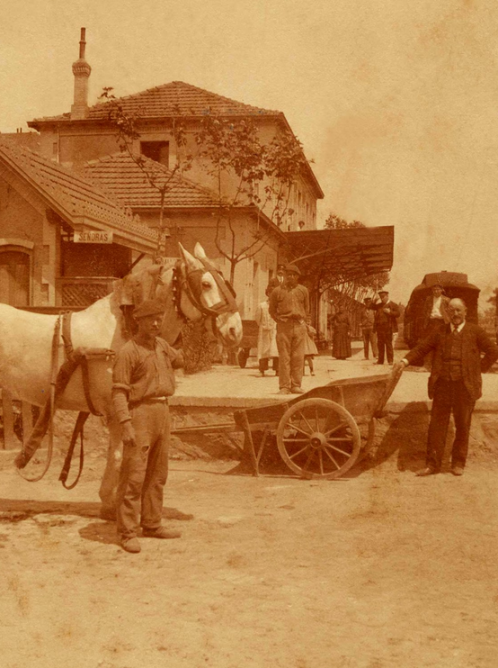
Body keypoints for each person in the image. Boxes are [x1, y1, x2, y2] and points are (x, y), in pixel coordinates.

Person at [112, 299, 184, 553]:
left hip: (162, 411)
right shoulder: (128, 352)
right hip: (140, 413)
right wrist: (126, 423)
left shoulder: (162, 345)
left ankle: (152, 524)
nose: (156, 323)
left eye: (159, 318)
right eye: (150, 319)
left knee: (157, 473)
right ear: (137, 321)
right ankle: (127, 532)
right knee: (134, 475)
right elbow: (119, 392)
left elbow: (180, 361)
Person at [397, 298, 498, 477]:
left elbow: (493, 351)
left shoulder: (475, 332)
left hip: (465, 387)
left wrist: (478, 369)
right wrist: (405, 361)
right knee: (436, 426)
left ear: (465, 311)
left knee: (463, 425)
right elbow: (422, 348)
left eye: (459, 310)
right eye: (451, 310)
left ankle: (458, 463)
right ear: (447, 312)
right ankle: (432, 464)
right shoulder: (440, 331)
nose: (455, 314)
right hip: (442, 385)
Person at [269, 264, 309, 395]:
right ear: (284, 276)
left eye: (293, 275)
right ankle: (284, 386)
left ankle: (296, 385)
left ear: (297, 277)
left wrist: (303, 321)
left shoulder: (303, 290)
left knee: (298, 357)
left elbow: (307, 309)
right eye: (288, 275)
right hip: (283, 326)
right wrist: (279, 321)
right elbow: (272, 310)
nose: (290, 277)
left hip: (299, 325)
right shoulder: (277, 291)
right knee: (284, 357)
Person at [368, 290, 400, 365]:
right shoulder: (379, 305)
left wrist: (390, 312)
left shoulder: (393, 305)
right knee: (380, 344)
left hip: (388, 328)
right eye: (381, 297)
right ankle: (380, 361)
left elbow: (398, 314)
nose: (382, 299)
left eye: (383, 297)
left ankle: (390, 360)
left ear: (387, 296)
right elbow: (370, 306)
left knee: (388, 344)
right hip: (380, 328)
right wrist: (375, 298)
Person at [255, 286, 279, 376]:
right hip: (264, 331)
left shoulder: (278, 306)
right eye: (270, 293)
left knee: (276, 350)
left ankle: (277, 370)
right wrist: (263, 325)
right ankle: (262, 370)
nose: (271, 295)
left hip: (275, 330)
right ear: (267, 294)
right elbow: (257, 319)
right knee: (263, 350)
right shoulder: (262, 305)